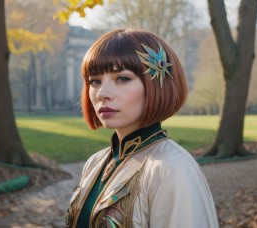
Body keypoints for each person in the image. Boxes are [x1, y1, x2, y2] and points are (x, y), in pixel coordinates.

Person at [66, 28, 219, 228]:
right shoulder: (94, 163)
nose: (102, 93)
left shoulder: (171, 169)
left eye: (122, 78)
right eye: (95, 81)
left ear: (155, 85)